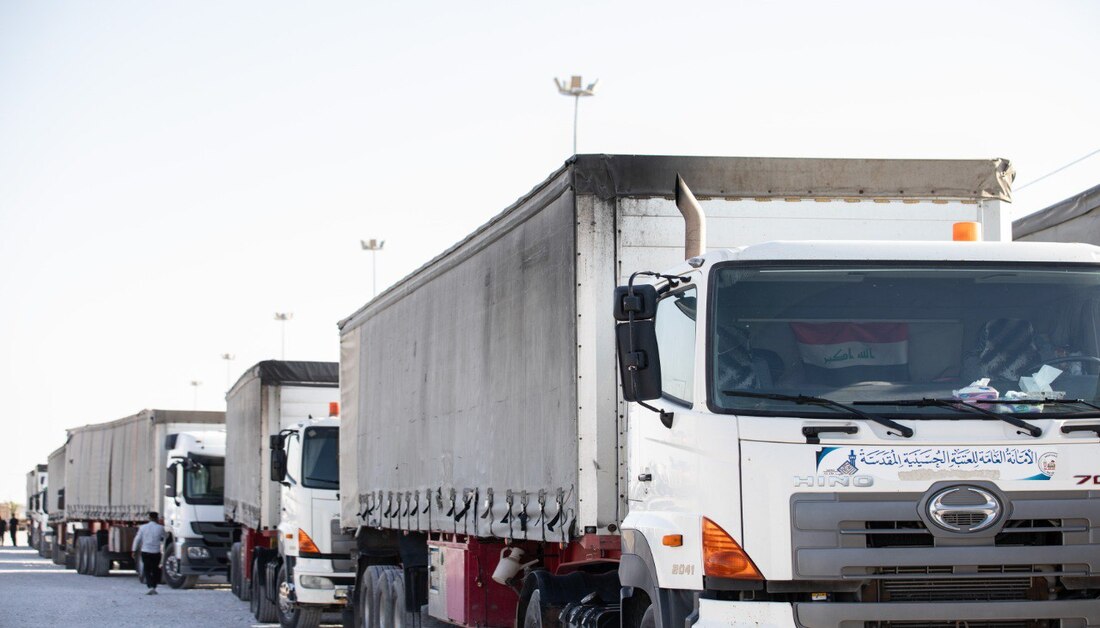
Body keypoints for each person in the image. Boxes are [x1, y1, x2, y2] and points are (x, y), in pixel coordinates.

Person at [131, 511, 165, 595]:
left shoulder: (143, 527)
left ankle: (150, 586)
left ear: (149, 518)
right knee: (155, 569)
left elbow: (137, 539)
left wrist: (133, 550)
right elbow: (164, 538)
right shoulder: (160, 528)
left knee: (147, 569)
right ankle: (154, 586)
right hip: (156, 552)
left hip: (145, 551)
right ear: (157, 518)